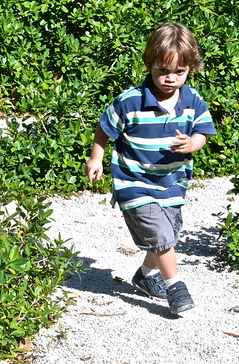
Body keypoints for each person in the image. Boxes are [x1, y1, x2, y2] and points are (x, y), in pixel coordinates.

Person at [85, 23, 216, 315]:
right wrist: (96, 157)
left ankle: (145, 275)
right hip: (133, 179)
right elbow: (104, 129)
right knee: (159, 234)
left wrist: (192, 145)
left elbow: (203, 132)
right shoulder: (130, 100)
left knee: (169, 232)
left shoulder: (192, 100)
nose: (170, 79)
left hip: (172, 181)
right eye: (163, 71)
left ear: (190, 69)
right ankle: (176, 287)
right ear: (150, 65)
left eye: (179, 72)